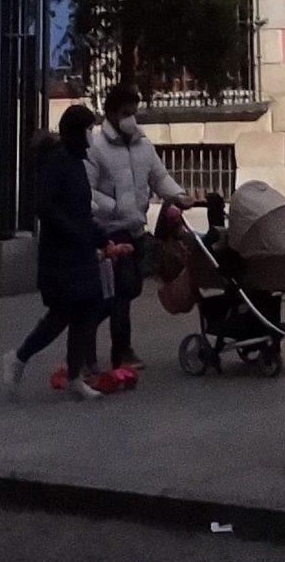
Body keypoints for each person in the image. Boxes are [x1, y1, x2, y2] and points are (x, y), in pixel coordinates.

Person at [6, 104, 123, 401]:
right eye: (88, 129)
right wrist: (78, 234)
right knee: (60, 314)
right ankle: (19, 357)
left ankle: (74, 376)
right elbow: (46, 207)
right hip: (61, 255)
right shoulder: (57, 163)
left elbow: (82, 211)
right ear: (76, 131)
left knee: (86, 311)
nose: (92, 135)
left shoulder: (76, 162)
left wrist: (100, 239)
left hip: (80, 252)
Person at [86, 82, 199, 378]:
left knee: (128, 289)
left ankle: (84, 332)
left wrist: (178, 195)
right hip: (111, 230)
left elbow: (158, 177)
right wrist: (112, 207)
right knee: (123, 290)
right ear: (110, 113)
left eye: (134, 113)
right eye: (125, 113)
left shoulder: (142, 145)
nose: (130, 119)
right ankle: (121, 351)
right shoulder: (96, 148)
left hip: (136, 228)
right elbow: (87, 190)